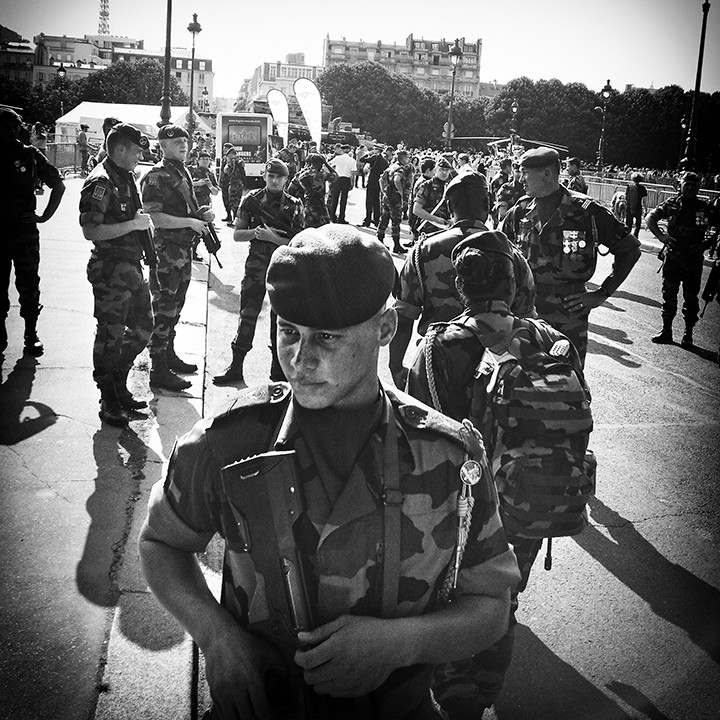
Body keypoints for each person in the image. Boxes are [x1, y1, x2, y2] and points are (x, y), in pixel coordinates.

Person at [138, 224, 520, 720]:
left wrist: (399, 645)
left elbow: (491, 604)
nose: (301, 359)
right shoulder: (229, 441)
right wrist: (215, 636)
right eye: (288, 331)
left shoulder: (449, 455)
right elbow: (161, 543)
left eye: (328, 337)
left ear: (385, 329)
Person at [405, 229, 584, 720]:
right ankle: (484, 693)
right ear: (514, 284)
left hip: (457, 506)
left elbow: (413, 427)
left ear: (461, 288)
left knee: (449, 601)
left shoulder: (437, 345)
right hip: (526, 497)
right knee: (502, 599)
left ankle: (453, 693)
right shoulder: (553, 341)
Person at [501, 147, 641, 366]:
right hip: (524, 312)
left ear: (547, 174)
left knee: (567, 381)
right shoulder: (520, 211)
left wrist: (602, 293)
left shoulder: (586, 211)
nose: (521, 179)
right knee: (522, 381)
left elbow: (631, 249)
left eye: (526, 173)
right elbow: (500, 251)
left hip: (568, 316)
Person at [389, 171, 530, 389]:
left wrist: (396, 367)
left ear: (448, 206)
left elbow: (404, 317)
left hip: (436, 366)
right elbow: (526, 319)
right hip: (497, 373)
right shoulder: (511, 255)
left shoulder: (422, 252)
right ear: (488, 203)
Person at [79, 123, 155, 426]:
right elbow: (90, 230)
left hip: (131, 268)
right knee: (110, 336)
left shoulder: (125, 176)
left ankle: (119, 382)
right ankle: (108, 396)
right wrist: (133, 226)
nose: (139, 156)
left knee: (143, 327)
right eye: (136, 151)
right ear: (120, 149)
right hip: (110, 270)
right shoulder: (100, 181)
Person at [212, 159, 304, 386]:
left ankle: (278, 371)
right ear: (264, 176)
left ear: (286, 179)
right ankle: (236, 367)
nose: (274, 181)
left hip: (284, 267)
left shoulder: (295, 204)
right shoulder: (251, 200)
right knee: (248, 314)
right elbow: (237, 234)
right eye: (271, 176)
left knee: (281, 320)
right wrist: (256, 233)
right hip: (256, 265)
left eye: (279, 177)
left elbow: (300, 241)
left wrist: (274, 238)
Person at [141, 124, 215, 391]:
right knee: (163, 309)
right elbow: (154, 217)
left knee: (176, 307)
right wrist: (189, 222)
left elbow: (180, 209)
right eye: (176, 142)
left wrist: (200, 215)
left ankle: (168, 354)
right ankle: (157, 367)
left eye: (185, 140)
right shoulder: (156, 176)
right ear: (162, 145)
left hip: (181, 250)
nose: (184, 145)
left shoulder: (181, 170)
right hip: (166, 252)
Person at [1, 108, 65, 364]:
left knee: (28, 285)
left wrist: (44, 216)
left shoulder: (29, 155)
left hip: (23, 231)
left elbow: (58, 185)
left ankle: (30, 334)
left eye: (11, 127)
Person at [645, 171, 720, 348]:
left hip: (693, 260)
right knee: (668, 294)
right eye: (687, 184)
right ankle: (666, 331)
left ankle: (688, 334)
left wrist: (706, 244)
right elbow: (650, 218)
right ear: (680, 185)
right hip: (673, 257)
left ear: (698, 187)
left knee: (691, 298)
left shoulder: (705, 208)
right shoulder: (672, 204)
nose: (690, 188)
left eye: (694, 185)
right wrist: (662, 237)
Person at [377, 149, 412, 254]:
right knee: (396, 222)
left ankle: (379, 241)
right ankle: (396, 246)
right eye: (407, 157)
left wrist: (384, 192)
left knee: (384, 219)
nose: (408, 159)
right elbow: (397, 180)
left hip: (387, 197)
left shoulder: (391, 167)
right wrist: (401, 193)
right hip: (395, 199)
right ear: (402, 157)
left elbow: (381, 180)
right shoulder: (400, 169)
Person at [288, 153, 334, 228]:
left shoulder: (300, 174)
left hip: (305, 206)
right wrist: (326, 164)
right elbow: (335, 176)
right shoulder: (321, 175)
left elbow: (290, 190)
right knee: (323, 229)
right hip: (319, 207)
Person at [411, 157, 452, 241]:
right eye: (441, 169)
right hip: (427, 230)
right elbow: (416, 210)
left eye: (447, 170)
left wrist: (450, 219)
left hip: (444, 231)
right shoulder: (426, 186)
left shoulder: (448, 187)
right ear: (435, 170)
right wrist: (436, 219)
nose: (444, 172)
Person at [360, 145, 392, 227]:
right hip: (378, 183)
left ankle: (367, 220)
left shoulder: (375, 157)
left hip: (371, 182)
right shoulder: (386, 162)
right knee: (376, 202)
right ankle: (376, 220)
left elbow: (362, 159)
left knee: (369, 202)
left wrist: (367, 154)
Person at [327, 144, 356, 223]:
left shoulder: (337, 158)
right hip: (346, 179)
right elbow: (352, 173)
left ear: (342, 150)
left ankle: (332, 216)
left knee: (335, 198)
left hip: (337, 179)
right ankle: (341, 218)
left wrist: (332, 174)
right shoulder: (352, 160)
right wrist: (352, 183)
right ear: (349, 150)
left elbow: (328, 164)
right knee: (343, 199)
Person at [223, 147, 247, 226]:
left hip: (234, 184)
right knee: (236, 202)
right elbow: (243, 174)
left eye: (229, 155)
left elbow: (225, 170)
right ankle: (235, 219)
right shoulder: (239, 161)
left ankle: (235, 220)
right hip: (238, 184)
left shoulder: (233, 162)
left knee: (233, 202)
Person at [625, 172, 647, 238]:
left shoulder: (629, 186)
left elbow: (626, 197)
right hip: (638, 208)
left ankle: (627, 237)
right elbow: (644, 201)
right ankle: (635, 236)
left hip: (629, 207)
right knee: (638, 224)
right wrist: (645, 209)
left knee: (628, 223)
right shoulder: (643, 188)